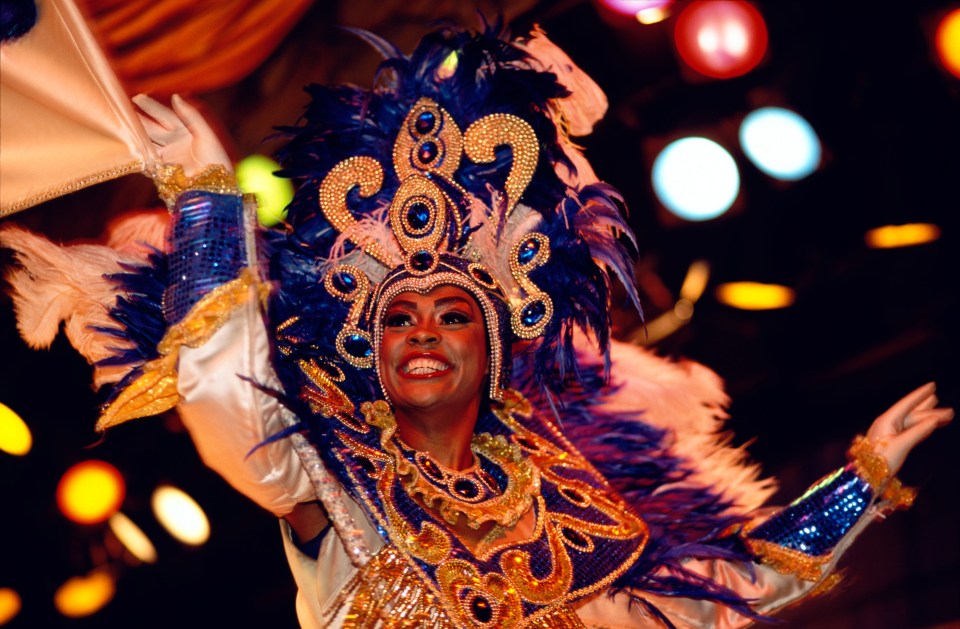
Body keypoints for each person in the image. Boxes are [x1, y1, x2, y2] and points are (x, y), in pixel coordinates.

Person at [1, 23, 951, 628]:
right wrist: (208, 198)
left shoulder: (570, 507)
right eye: (397, 315)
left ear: (490, 347)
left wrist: (860, 482)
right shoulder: (335, 488)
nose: (421, 331)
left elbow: (722, 593)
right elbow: (225, 387)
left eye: (452, 312)